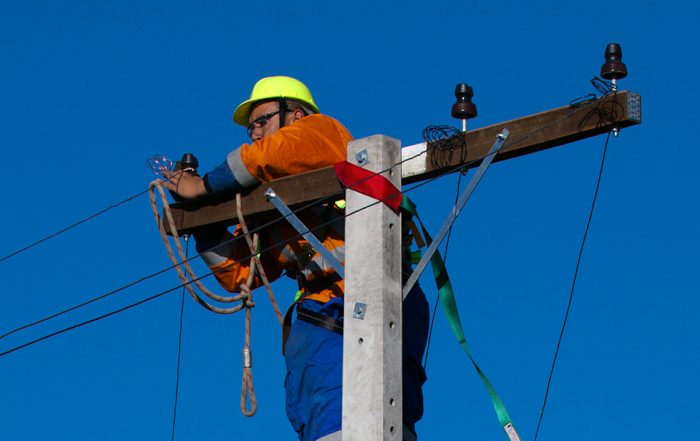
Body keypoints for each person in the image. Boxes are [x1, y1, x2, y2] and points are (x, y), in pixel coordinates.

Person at [161, 76, 429, 441]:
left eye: (262, 120)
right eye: (250, 126)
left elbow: (274, 154)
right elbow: (242, 273)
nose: (254, 133)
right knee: (328, 421)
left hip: (356, 302)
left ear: (295, 114)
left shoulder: (320, 131)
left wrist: (204, 186)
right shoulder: (276, 202)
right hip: (321, 316)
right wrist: (204, 225)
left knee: (358, 419)